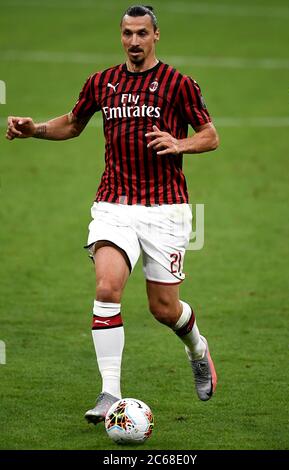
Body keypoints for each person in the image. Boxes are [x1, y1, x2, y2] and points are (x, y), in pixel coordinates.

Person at [6, 5, 219, 424]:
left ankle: (198, 348)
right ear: (121, 36)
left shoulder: (179, 84)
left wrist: (180, 144)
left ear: (156, 35)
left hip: (166, 210)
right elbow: (73, 122)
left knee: (163, 308)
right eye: (127, 34)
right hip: (113, 205)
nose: (134, 42)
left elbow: (210, 136)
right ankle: (109, 393)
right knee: (106, 289)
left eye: (142, 33)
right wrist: (36, 130)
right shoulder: (102, 82)